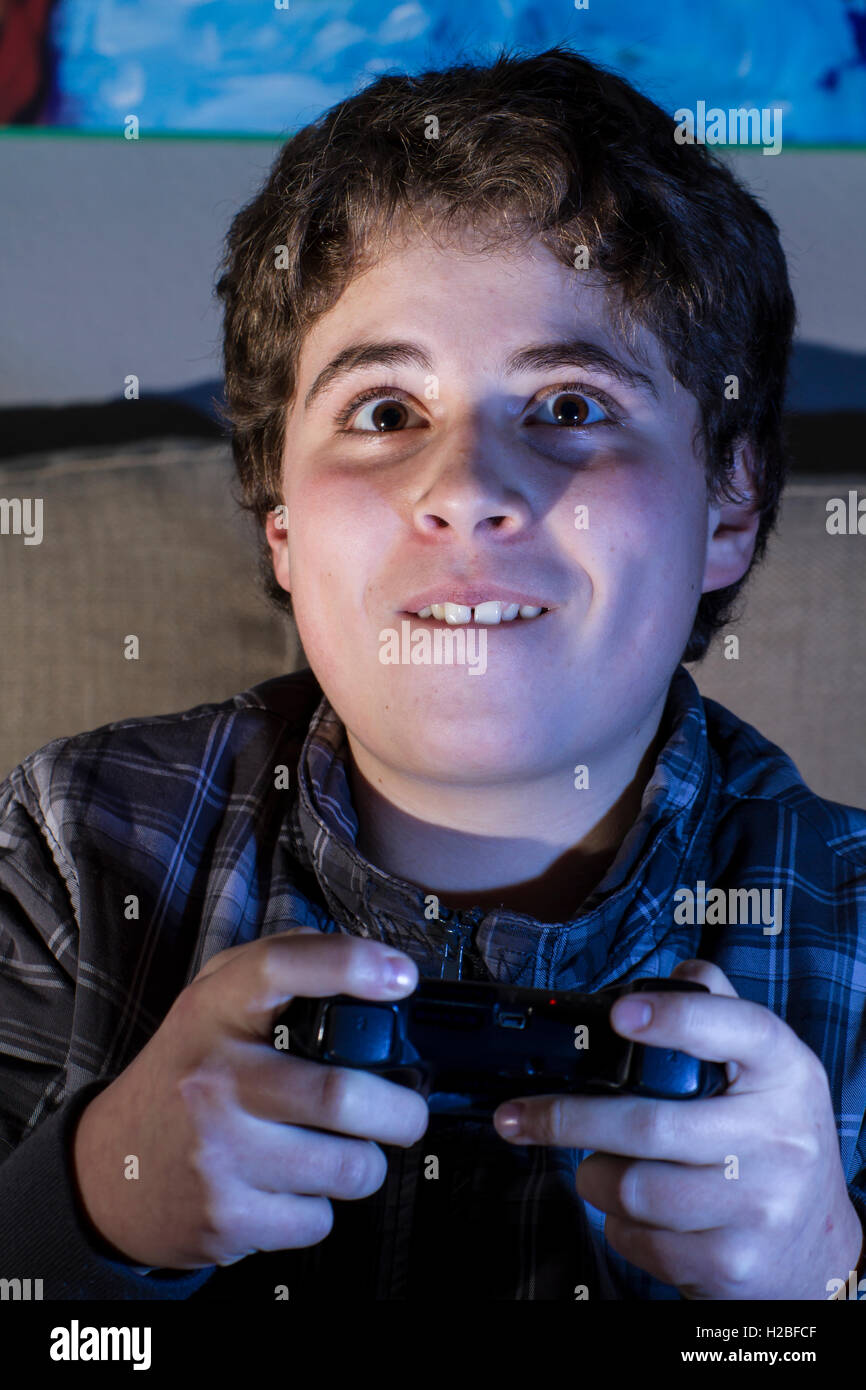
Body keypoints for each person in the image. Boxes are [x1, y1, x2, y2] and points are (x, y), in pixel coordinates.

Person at [1, 45, 864, 1302]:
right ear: (279, 521)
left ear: (727, 502)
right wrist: (92, 1204)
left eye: (569, 406)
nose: (461, 489)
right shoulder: (69, 854)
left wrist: (824, 1281)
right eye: (383, 411)